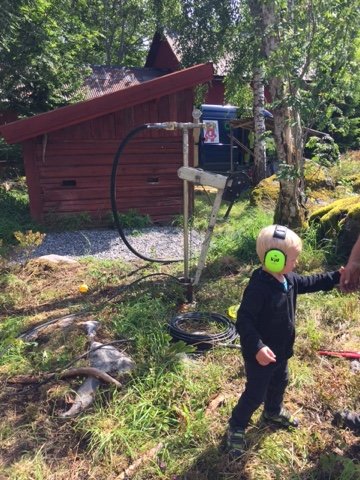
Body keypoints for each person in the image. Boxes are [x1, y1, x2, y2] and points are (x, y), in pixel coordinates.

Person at [227, 224, 342, 458]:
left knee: (281, 381)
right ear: (274, 259)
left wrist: (336, 277)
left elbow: (312, 282)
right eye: (293, 259)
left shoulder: (287, 278)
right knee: (255, 393)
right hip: (261, 356)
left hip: (281, 351)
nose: (296, 263)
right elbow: (244, 321)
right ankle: (237, 425)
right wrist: (257, 347)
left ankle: (273, 411)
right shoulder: (259, 288)